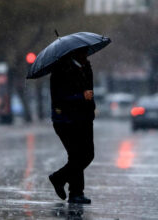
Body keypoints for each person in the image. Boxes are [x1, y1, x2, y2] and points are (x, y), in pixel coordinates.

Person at [48, 47, 95, 204]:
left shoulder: (87, 67)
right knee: (77, 156)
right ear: (74, 53)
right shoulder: (61, 70)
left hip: (85, 118)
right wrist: (81, 96)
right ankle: (73, 191)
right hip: (66, 120)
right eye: (83, 52)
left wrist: (90, 107)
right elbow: (60, 98)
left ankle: (64, 182)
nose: (86, 55)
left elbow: (90, 91)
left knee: (87, 155)